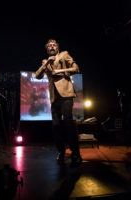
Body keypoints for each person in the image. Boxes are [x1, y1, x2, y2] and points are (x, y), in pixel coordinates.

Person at [35, 39, 82, 167]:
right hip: (54, 97)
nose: (51, 46)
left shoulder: (64, 54)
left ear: (57, 47)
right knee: (56, 126)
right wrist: (46, 64)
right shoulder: (45, 62)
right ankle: (61, 151)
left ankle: (76, 153)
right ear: (46, 49)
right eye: (49, 45)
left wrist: (60, 71)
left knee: (68, 123)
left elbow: (76, 68)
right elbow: (37, 76)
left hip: (66, 94)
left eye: (54, 45)